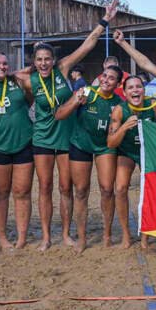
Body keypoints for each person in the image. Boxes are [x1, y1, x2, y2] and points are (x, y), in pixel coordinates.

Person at [18, 0, 119, 251]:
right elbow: (9, 77)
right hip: (42, 137)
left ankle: (65, 234)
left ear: (54, 59)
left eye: (47, 59)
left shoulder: (63, 69)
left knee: (66, 187)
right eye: (39, 59)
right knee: (44, 187)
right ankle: (45, 237)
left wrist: (105, 20)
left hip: (67, 137)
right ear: (34, 61)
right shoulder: (29, 81)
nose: (44, 63)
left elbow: (88, 44)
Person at [55, 65, 123, 254]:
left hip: (104, 147)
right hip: (81, 144)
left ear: (118, 84)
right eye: (104, 76)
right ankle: (82, 238)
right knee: (81, 191)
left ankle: (107, 235)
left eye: (111, 78)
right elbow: (59, 115)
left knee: (107, 189)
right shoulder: (85, 92)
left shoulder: (119, 103)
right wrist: (75, 102)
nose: (106, 80)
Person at [107, 74, 156, 248]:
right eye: (131, 88)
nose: (135, 90)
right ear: (125, 93)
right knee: (120, 188)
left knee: (152, 189)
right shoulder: (119, 110)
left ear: (144, 90)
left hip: (148, 151)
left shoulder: (154, 105)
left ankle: (148, 234)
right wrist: (124, 127)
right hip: (127, 151)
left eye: (138, 87)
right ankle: (126, 234)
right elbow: (110, 142)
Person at [0, 51, 34, 250]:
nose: (1, 67)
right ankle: (2, 237)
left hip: (24, 142)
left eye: (5, 63)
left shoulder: (18, 82)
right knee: (0, 193)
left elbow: (30, 97)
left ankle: (22, 237)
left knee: (22, 192)